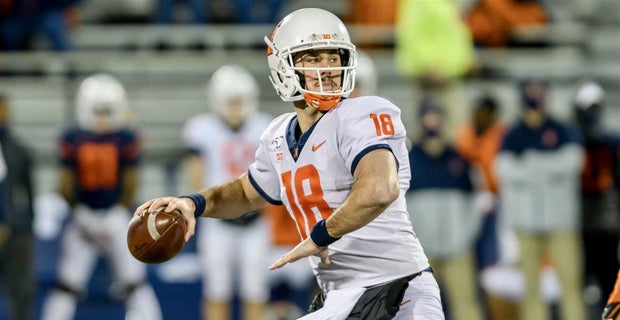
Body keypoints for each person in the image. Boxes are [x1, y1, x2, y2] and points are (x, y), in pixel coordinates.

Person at [136, 7, 444, 320]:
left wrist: (321, 236)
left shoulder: (363, 113)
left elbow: (379, 189)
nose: (327, 69)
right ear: (283, 68)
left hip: (397, 290)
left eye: (333, 58)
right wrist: (194, 203)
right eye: (313, 59)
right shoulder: (278, 136)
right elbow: (245, 192)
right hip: (342, 297)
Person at [40, 73, 162, 320]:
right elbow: (64, 182)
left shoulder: (126, 138)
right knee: (67, 285)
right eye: (98, 110)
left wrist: (118, 211)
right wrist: (78, 212)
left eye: (108, 110)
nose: (103, 117)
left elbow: (130, 182)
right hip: (82, 217)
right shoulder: (72, 138)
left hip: (116, 217)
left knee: (134, 283)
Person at [182, 64, 272, 320]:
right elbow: (196, 176)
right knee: (216, 291)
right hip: (218, 222)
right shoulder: (202, 128)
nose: (235, 108)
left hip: (255, 221)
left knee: (255, 291)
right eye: (230, 102)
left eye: (239, 101)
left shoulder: (263, 126)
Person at [495, 77, 586, 320]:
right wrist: (549, 169)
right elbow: (503, 170)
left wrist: (530, 164)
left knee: (571, 287)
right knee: (531, 290)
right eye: (530, 92)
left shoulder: (563, 129)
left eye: (539, 91)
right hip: (526, 223)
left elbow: (573, 163)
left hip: (561, 223)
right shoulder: (512, 135)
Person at [406, 98, 483, 320]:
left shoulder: (459, 160)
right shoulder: (408, 162)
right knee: (419, 308)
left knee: (466, 306)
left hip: (457, 249)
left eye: (436, 121)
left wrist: (464, 237)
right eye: (427, 121)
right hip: (422, 253)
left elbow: (476, 203)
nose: (432, 126)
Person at [573, 80, 620, 317]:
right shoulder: (571, 138)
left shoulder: (612, 142)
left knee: (608, 275)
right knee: (580, 278)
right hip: (576, 215)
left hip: (605, 214)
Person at [0, 95, 36, 320]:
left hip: (16, 234)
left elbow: (29, 195)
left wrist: (25, 228)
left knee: (21, 296)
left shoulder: (19, 150)